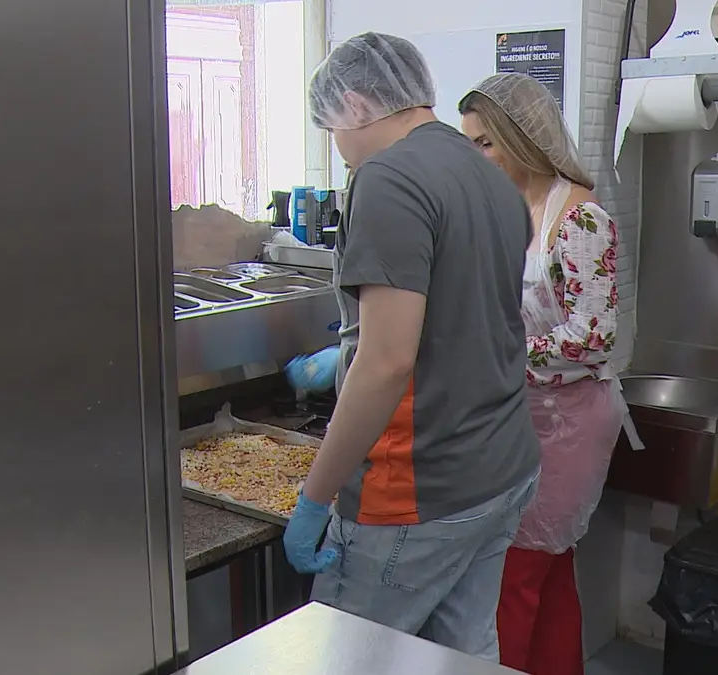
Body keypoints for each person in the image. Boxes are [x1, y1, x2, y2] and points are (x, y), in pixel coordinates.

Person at [280, 32, 542, 662]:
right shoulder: (490, 176)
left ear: (354, 105)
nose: (339, 149)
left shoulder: (387, 178)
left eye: (331, 130)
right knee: (461, 655)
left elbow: (388, 361)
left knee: (349, 657)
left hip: (418, 487)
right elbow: (471, 316)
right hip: (500, 467)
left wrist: (316, 496)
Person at [459, 73, 637, 675]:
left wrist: (498, 355)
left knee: (517, 576)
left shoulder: (579, 220)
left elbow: (592, 337)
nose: (476, 157)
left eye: (485, 143)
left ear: (521, 137)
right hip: (525, 415)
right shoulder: (512, 209)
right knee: (550, 574)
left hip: (566, 424)